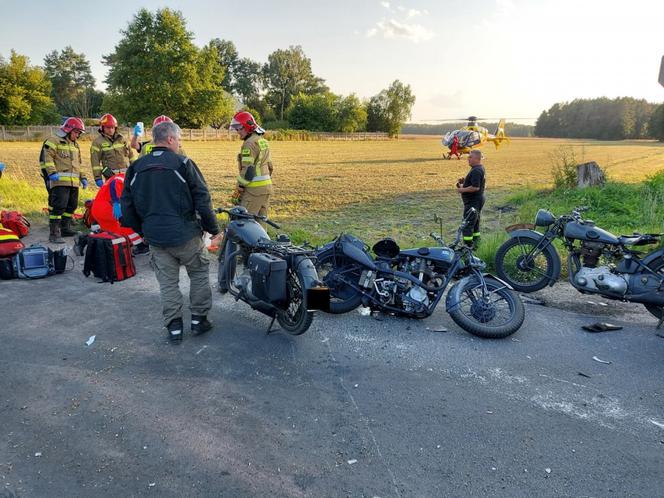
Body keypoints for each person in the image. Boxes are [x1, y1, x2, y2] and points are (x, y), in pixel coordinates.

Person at [121, 121, 220, 343]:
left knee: (167, 283)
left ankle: (174, 327)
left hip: (156, 238)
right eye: (180, 139)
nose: (180, 143)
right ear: (171, 139)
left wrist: (144, 231)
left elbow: (127, 209)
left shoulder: (135, 168)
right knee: (199, 274)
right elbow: (203, 201)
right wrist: (213, 230)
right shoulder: (183, 163)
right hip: (186, 235)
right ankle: (199, 319)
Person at [39, 117, 88, 243]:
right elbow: (47, 158)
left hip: (74, 183)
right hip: (59, 181)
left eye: (79, 133)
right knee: (58, 207)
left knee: (72, 206)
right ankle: (54, 234)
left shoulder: (75, 145)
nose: (77, 135)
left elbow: (78, 164)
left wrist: (83, 178)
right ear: (68, 129)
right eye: (76, 132)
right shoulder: (53, 140)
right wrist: (52, 173)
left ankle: (65, 229)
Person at [229, 111, 273, 219]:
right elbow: (270, 166)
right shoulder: (262, 141)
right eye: (236, 128)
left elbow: (248, 170)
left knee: (244, 221)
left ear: (248, 127)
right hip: (266, 189)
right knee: (260, 225)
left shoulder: (249, 144)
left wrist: (238, 190)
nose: (238, 131)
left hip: (253, 191)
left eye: (240, 128)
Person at [90, 113, 134, 185]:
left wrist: (136, 170)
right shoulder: (97, 142)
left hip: (126, 177)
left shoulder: (122, 139)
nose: (110, 130)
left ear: (115, 128)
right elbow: (95, 162)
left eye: (112, 127)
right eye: (108, 127)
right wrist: (98, 178)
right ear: (102, 128)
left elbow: (131, 156)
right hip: (111, 178)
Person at [456, 149, 486, 248]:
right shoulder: (478, 168)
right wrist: (465, 181)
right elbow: (477, 183)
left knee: (468, 224)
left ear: (477, 159)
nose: (468, 158)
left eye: (470, 157)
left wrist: (462, 190)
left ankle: (467, 247)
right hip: (477, 200)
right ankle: (476, 244)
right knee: (475, 222)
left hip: (473, 202)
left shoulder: (476, 170)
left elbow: (475, 187)